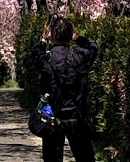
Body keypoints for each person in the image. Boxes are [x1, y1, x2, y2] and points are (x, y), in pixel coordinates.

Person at [37, 17, 97, 162]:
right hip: (76, 114)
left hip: (51, 116)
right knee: (85, 157)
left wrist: (43, 40)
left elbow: (36, 53)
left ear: (52, 35)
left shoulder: (46, 58)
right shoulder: (80, 56)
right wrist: (77, 38)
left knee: (52, 158)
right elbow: (93, 47)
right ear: (70, 35)